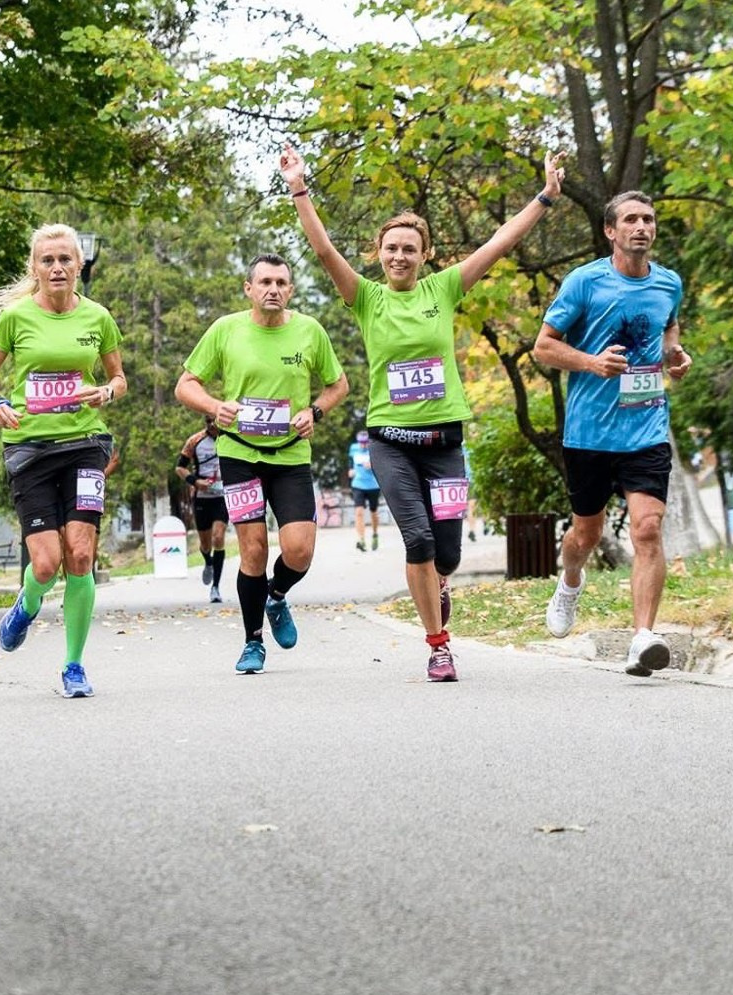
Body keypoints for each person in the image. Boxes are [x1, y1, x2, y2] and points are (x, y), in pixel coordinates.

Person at [284, 144, 561, 683]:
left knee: (449, 552)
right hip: (389, 438)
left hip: (444, 441)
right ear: (378, 253)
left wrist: (545, 197)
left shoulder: (445, 287)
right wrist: (299, 187)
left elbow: (500, 242)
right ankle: (438, 645)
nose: (399, 257)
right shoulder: (366, 298)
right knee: (418, 540)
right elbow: (322, 252)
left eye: (410, 249)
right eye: (391, 249)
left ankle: (440, 582)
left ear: (425, 255)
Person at [532, 191, 692, 676]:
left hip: (646, 429)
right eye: (631, 220)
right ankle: (571, 579)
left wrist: (675, 354)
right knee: (586, 533)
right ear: (611, 231)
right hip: (589, 434)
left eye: (648, 219)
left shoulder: (669, 283)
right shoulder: (585, 282)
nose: (641, 226)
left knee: (647, 527)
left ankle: (643, 638)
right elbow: (543, 347)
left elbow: (669, 329)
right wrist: (591, 363)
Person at [176, 254, 349, 674]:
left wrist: (316, 412)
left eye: (282, 283)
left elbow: (338, 384)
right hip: (239, 455)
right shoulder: (226, 329)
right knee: (253, 549)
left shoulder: (309, 331)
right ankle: (253, 641)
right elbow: (186, 384)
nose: (273, 289)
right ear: (248, 289)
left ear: (291, 290)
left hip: (290, 455)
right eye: (265, 282)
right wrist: (215, 406)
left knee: (300, 551)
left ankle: (276, 595)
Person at [0, 224, 126, 698]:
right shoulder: (16, 319)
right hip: (31, 449)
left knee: (80, 554)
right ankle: (29, 600)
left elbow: (119, 378)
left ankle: (74, 666)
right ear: (35, 268)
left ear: (80, 265)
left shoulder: (98, 317)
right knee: (46, 563)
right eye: (48, 261)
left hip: (85, 442)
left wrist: (103, 391)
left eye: (66, 259)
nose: (57, 268)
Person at [176, 422, 228, 602]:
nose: (212, 425)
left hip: (223, 496)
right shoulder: (195, 440)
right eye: (209, 421)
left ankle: (215, 587)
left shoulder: (230, 437)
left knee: (218, 538)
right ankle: (208, 561)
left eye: (215, 420)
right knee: (206, 544)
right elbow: (180, 468)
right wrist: (195, 482)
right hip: (202, 497)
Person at [349, 431, 381, 551]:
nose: (363, 445)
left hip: (373, 485)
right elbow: (350, 462)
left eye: (365, 442)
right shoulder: (353, 448)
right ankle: (361, 540)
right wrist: (351, 470)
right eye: (361, 443)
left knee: (373, 512)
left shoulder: (374, 450)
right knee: (359, 512)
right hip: (358, 484)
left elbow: (383, 465)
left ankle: (375, 534)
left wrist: (373, 464)